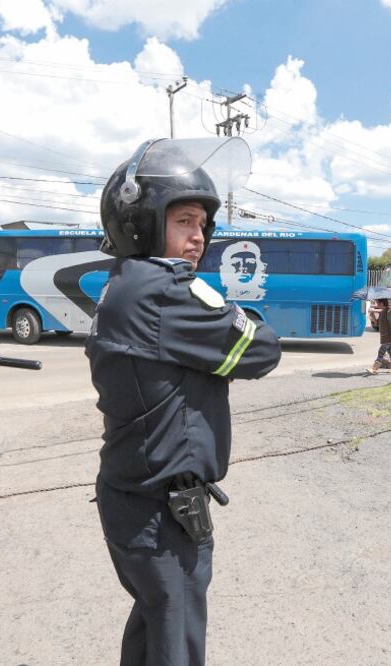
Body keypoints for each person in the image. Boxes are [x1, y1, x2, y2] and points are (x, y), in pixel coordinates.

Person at [86, 138, 282, 666]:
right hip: (161, 513)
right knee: (177, 644)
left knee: (154, 623)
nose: (198, 238)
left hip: (135, 497)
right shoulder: (163, 290)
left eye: (202, 225)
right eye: (183, 221)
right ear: (140, 222)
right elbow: (262, 351)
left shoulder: (123, 284)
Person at [367, 297, 391, 374]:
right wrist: (373, 317)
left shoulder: (389, 311)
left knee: (381, 351)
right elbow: (378, 323)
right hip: (384, 336)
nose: (377, 304)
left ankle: (374, 368)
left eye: (377, 303)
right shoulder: (382, 312)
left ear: (382, 303)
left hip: (388, 336)